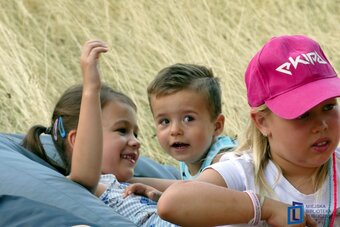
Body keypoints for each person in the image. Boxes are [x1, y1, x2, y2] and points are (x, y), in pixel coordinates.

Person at [157, 35, 340, 227]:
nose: (322, 125)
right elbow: (173, 202)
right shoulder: (243, 173)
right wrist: (267, 209)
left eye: (328, 107)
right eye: (303, 114)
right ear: (262, 122)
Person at [23, 40, 177, 227]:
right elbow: (87, 175)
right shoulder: (82, 185)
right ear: (79, 140)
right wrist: (91, 89)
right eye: (122, 130)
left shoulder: (130, 182)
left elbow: (187, 188)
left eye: (135, 134)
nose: (136, 142)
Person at [147, 63, 237, 180]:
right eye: (165, 121)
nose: (175, 130)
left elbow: (194, 190)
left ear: (216, 126)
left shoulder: (224, 160)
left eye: (188, 119)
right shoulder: (190, 156)